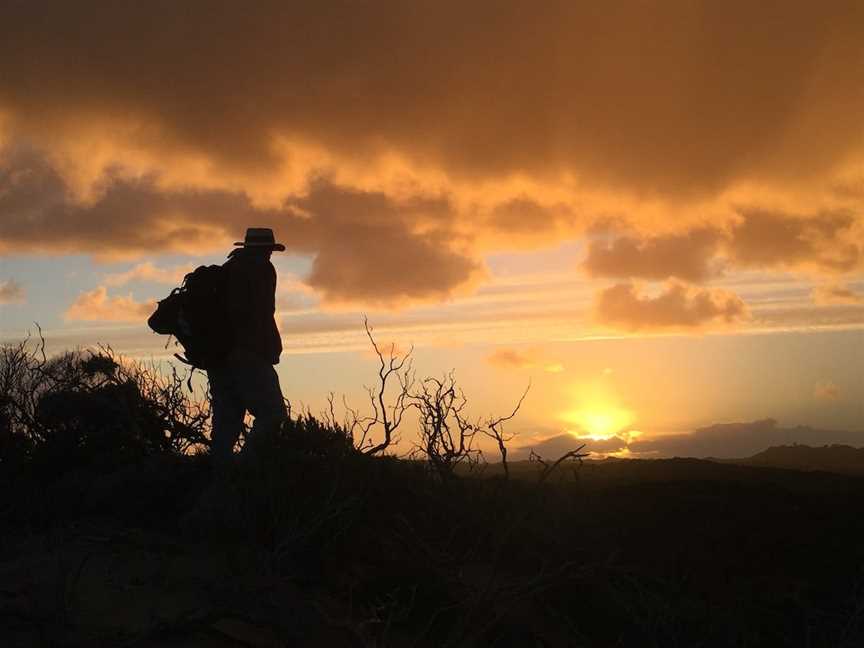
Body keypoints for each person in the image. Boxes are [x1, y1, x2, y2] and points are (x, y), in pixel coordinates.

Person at [207, 227, 287, 465]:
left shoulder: (229, 269)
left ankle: (218, 473)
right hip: (247, 354)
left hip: (218, 356)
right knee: (272, 414)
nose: (270, 255)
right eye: (268, 251)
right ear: (265, 250)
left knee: (227, 420)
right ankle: (246, 467)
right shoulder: (260, 270)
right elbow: (261, 315)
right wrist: (269, 348)